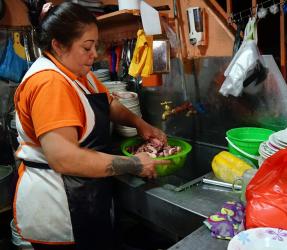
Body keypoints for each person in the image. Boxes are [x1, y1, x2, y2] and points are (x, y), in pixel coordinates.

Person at [12, 2, 169, 250]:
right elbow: (65, 159)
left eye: (95, 46)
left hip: (86, 196)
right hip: (60, 207)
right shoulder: (49, 83)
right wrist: (135, 164)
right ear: (58, 45)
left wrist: (141, 125)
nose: (94, 54)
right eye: (87, 47)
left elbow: (108, 103)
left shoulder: (77, 72)